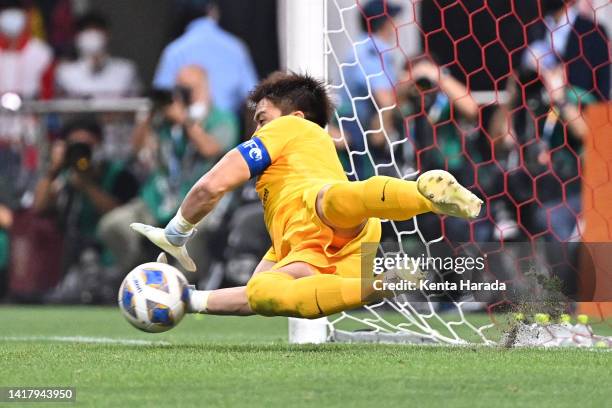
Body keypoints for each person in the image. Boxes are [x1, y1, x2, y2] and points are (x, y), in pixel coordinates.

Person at [131, 72, 483, 319]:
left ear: (296, 115)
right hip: (322, 239)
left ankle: (425, 195)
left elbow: (211, 185)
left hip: (319, 209)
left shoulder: (290, 127)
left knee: (331, 200)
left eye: (262, 119)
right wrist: (186, 300)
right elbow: (249, 301)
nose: (258, 130)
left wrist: (176, 231)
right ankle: (386, 273)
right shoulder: (290, 182)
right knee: (263, 293)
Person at [98, 65, 239, 275]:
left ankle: (182, 286)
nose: (179, 94)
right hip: (159, 198)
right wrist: (149, 114)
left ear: (203, 88)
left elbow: (211, 149)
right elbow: (136, 150)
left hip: (199, 200)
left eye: (186, 89)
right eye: (177, 88)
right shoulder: (163, 121)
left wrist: (186, 121)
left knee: (197, 236)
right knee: (113, 225)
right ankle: (138, 273)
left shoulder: (221, 118)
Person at [33, 117, 139, 272]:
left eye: (87, 146)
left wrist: (87, 185)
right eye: (75, 147)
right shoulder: (64, 176)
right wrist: (53, 170)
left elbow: (120, 217)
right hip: (72, 257)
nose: (81, 153)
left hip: (111, 258)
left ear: (100, 145)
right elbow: (39, 207)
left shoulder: (119, 174)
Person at [153, 0, 257, 115]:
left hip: (192, 123)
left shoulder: (174, 50)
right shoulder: (236, 47)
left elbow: (160, 98)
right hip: (223, 125)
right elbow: (252, 98)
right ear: (212, 11)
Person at [336, 0, 403, 178]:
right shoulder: (371, 50)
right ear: (385, 24)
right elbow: (385, 99)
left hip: (359, 125)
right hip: (357, 131)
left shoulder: (362, 47)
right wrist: (383, 133)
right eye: (394, 20)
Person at [524, 0, 610, 100]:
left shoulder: (593, 32)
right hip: (540, 106)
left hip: (581, 109)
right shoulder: (536, 28)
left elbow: (603, 85)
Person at [55, 12, 141, 98]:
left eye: (97, 30)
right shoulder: (64, 73)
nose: (93, 35)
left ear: (108, 35)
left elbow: (139, 105)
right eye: (87, 30)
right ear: (78, 37)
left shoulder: (126, 70)